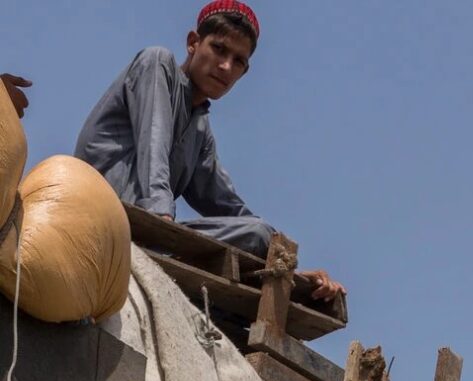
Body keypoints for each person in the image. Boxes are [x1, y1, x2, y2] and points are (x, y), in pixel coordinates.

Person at [75, 8, 343, 300]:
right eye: (219, 49)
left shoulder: (199, 129)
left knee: (259, 234)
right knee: (250, 239)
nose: (226, 66)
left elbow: (229, 207)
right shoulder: (156, 64)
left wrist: (285, 260)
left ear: (244, 71)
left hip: (149, 236)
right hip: (104, 217)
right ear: (193, 42)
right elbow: (153, 149)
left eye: (238, 61)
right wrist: (162, 221)